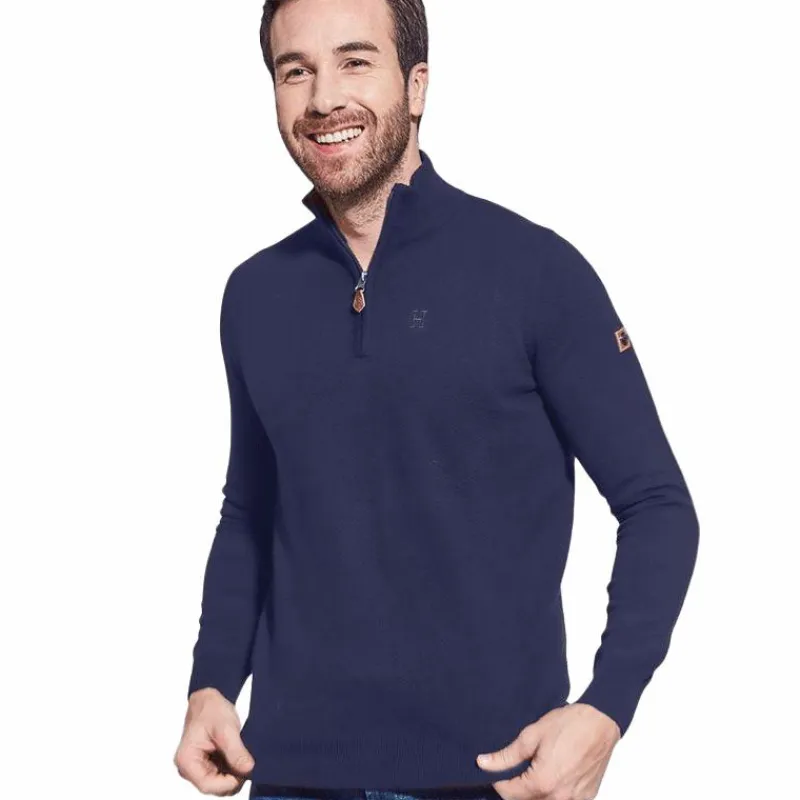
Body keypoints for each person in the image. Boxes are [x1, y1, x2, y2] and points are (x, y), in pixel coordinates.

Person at [173, 0, 700, 798]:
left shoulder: (535, 273)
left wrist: (606, 708)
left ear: (416, 85)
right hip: (289, 775)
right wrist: (211, 683)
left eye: (355, 61)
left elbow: (656, 503)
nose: (322, 98)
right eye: (295, 71)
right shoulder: (255, 294)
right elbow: (250, 511)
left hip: (493, 777)